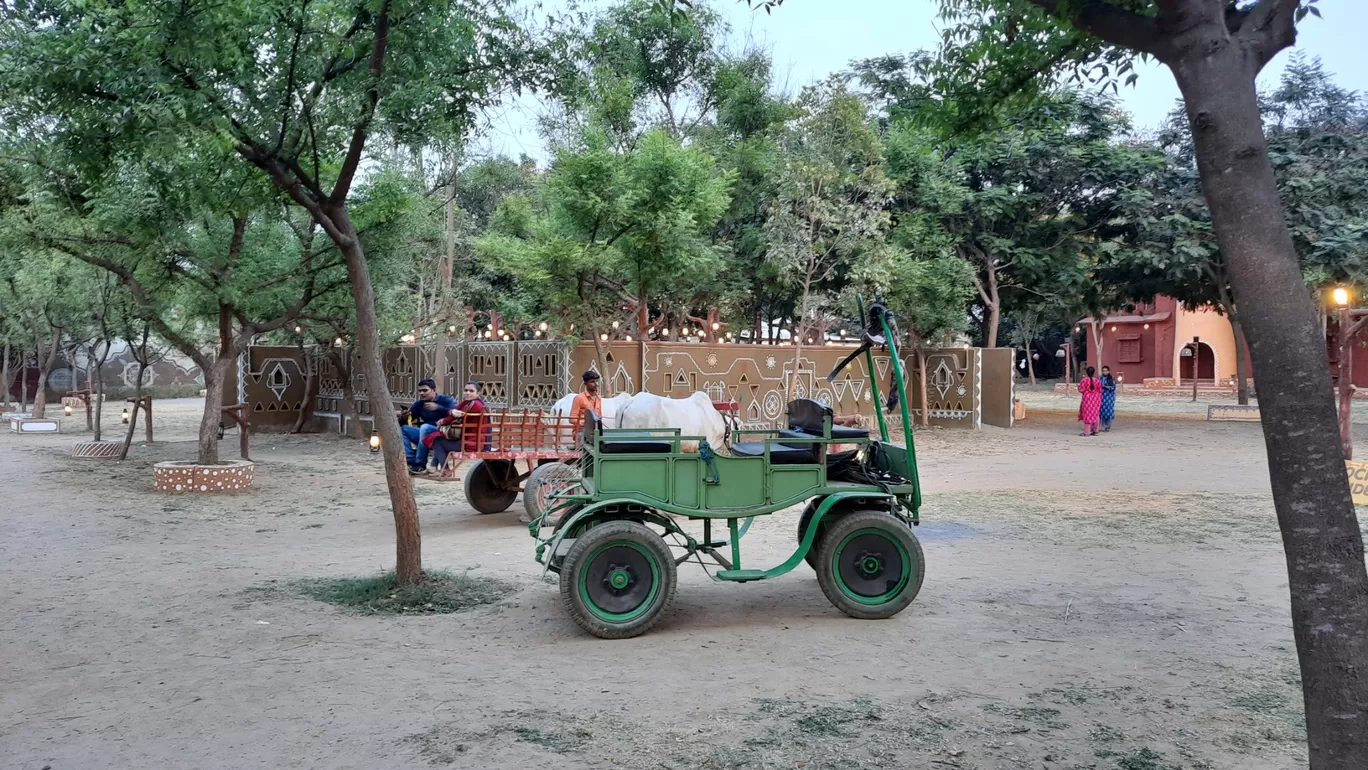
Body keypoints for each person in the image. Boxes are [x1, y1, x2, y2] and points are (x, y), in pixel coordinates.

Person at [425, 382, 489, 476]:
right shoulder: (468, 403)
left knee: (437, 440)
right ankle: (433, 466)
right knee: (439, 438)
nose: (467, 393)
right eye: (466, 390)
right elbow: (454, 412)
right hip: (469, 440)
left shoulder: (475, 405)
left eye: (471, 391)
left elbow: (456, 415)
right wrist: (447, 417)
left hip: (471, 442)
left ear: (478, 393)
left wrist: (443, 421)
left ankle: (445, 470)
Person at [402, 378, 456, 474]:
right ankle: (410, 459)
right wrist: (404, 417)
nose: (422, 393)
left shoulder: (445, 400)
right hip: (425, 435)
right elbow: (406, 420)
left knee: (425, 427)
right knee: (404, 429)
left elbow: (455, 413)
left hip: (442, 433)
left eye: (425, 390)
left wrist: (438, 408)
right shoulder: (419, 404)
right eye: (420, 391)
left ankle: (420, 463)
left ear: (434, 390)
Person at [569, 370, 602, 435]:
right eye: (592, 382)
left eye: (597, 381)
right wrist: (587, 423)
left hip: (594, 432)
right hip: (580, 432)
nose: (596, 384)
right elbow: (572, 419)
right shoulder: (579, 398)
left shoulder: (599, 398)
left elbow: (599, 417)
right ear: (585, 383)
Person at [1078, 366, 1102, 437]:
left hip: (1087, 399)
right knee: (1096, 414)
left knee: (1087, 414)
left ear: (1087, 372)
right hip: (1096, 399)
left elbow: (1081, 390)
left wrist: (1078, 387)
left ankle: (1087, 432)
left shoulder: (1084, 380)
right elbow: (1100, 390)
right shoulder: (1098, 381)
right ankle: (1096, 431)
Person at [1099, 366, 1118, 432]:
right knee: (1101, 412)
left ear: (1109, 371)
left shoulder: (1112, 378)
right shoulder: (1099, 378)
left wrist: (1105, 387)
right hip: (1101, 397)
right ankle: (1102, 426)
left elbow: (1113, 387)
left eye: (1106, 370)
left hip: (1109, 398)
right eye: (1103, 371)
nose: (1105, 372)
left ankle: (1108, 426)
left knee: (1109, 412)